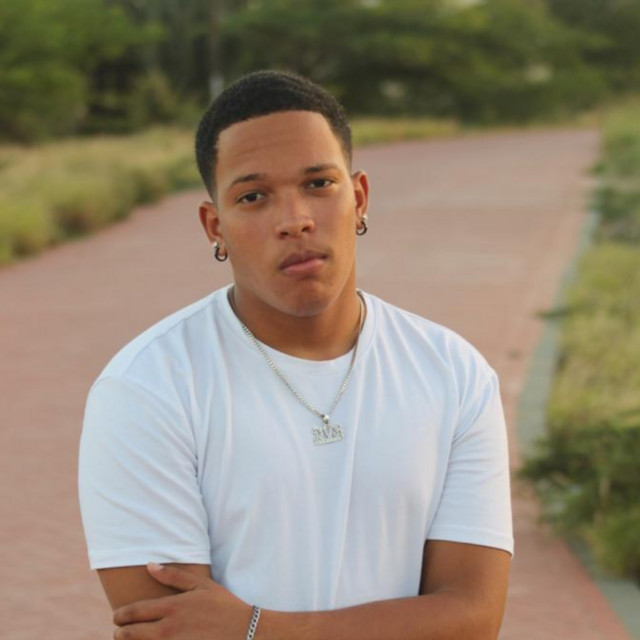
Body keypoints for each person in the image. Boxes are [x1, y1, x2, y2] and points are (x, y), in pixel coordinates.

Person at [78, 69, 513, 640]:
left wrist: (256, 628)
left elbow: (473, 620)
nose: (295, 220)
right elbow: (171, 633)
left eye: (318, 183)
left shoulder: (454, 372)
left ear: (359, 198)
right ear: (215, 227)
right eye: (253, 197)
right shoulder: (147, 388)